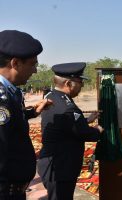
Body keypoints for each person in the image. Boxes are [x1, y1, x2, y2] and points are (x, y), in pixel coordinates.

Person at [37, 62, 104, 200]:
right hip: (61, 168)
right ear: (68, 83)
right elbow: (85, 133)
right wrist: (98, 130)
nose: (82, 85)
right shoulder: (67, 107)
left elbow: (66, 125)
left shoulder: (52, 96)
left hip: (54, 163)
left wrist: (86, 120)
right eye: (80, 81)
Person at [0, 30, 52, 199]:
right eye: (32, 64)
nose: (35, 70)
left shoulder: (10, 91)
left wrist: (30, 112)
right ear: (15, 63)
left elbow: (9, 122)